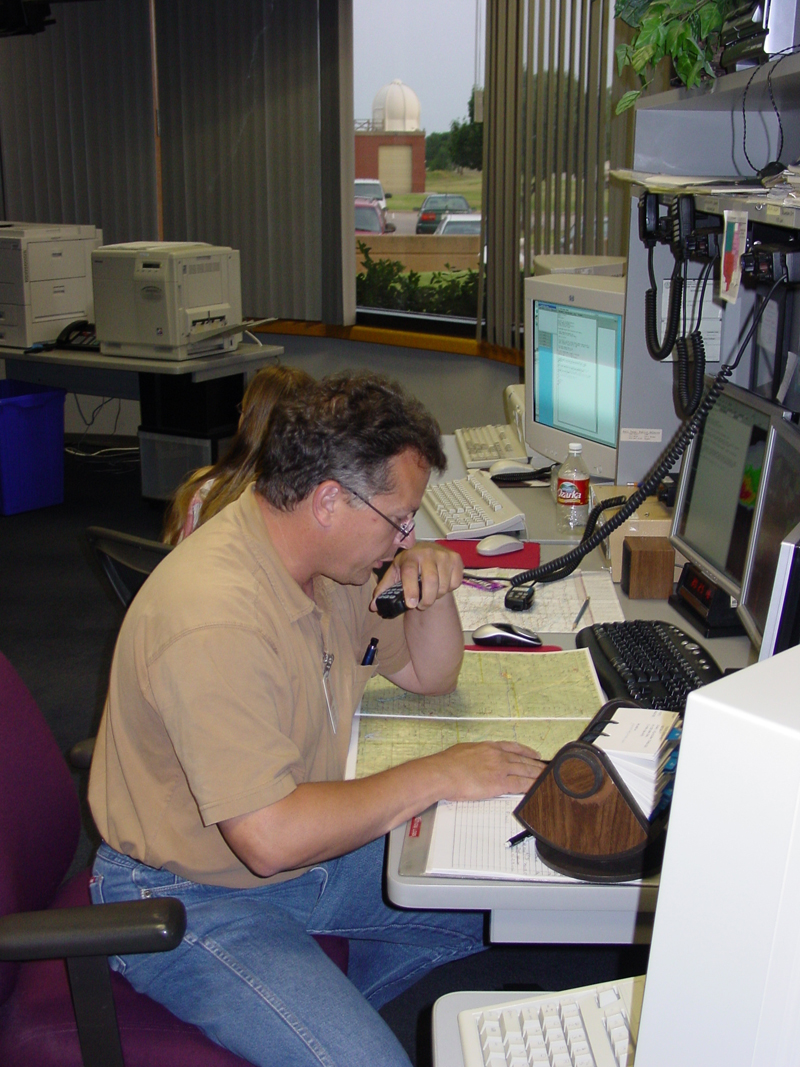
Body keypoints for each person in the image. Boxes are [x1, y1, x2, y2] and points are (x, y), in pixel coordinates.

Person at [88, 372, 545, 1067]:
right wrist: (437, 773)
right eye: (399, 519)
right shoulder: (213, 615)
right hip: (191, 895)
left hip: (301, 855)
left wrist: (432, 583)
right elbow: (269, 838)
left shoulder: (327, 564)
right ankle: (315, 1017)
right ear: (330, 499)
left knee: (511, 908)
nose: (405, 535)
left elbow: (431, 674)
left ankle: (314, 1007)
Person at [162, 363, 313, 544]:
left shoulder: (204, 490)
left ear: (248, 422)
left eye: (243, 410)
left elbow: (172, 562)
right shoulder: (309, 508)